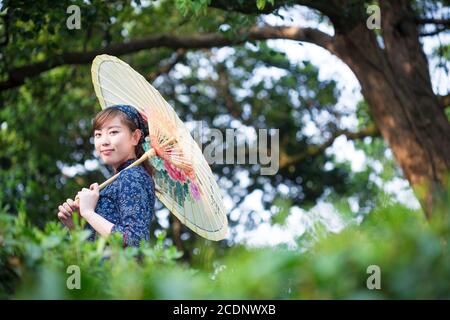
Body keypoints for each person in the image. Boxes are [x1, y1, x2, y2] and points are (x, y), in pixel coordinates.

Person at [57, 105, 156, 247]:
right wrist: (76, 226)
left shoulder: (132, 177)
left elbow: (135, 242)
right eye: (98, 134)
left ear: (135, 137)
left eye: (113, 132)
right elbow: (101, 248)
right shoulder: (120, 178)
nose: (104, 141)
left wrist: (89, 213)